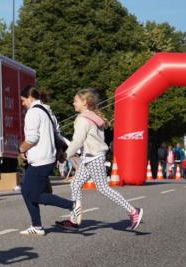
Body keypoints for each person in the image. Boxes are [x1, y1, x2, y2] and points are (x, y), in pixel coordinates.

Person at [55, 89, 143, 231]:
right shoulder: (93, 117)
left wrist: (65, 156)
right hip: (90, 158)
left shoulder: (82, 119)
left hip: (93, 157)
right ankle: (74, 220)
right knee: (75, 184)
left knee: (103, 188)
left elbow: (77, 141)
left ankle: (133, 211)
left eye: (76, 101)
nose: (73, 103)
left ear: (84, 102)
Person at [17, 85, 75, 236]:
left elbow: (32, 138)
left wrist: (21, 149)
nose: (22, 103)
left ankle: (72, 205)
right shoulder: (47, 111)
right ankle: (36, 225)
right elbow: (57, 133)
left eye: (23, 100)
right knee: (27, 191)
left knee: (33, 194)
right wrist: (60, 151)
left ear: (30, 98)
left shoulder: (33, 112)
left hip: (40, 159)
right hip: (47, 158)